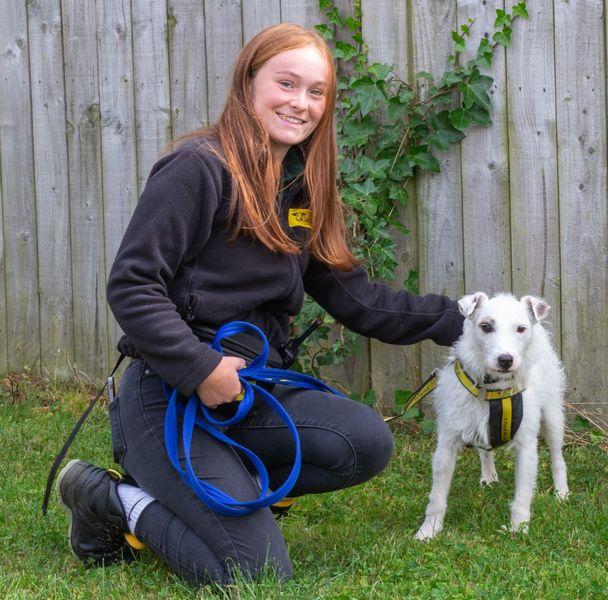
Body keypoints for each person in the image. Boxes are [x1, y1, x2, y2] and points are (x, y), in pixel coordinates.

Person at [56, 23, 464, 585]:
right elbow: (132, 283)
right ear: (249, 82)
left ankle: (233, 486)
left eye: (316, 91)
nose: (301, 103)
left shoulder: (302, 187)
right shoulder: (198, 168)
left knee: (364, 442)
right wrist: (200, 369)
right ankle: (110, 499)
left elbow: (354, 297)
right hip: (168, 394)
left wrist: (465, 322)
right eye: (286, 84)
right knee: (255, 573)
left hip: (251, 391)